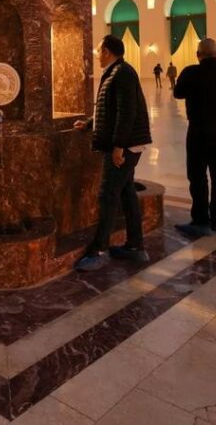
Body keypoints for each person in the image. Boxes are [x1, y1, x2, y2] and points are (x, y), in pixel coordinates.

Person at [73, 34, 152, 272]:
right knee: (126, 192)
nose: (97, 55)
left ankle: (99, 250)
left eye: (99, 51)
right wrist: (89, 123)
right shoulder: (115, 72)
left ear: (107, 51)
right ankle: (136, 247)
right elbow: (108, 109)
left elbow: (126, 112)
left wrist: (118, 147)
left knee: (108, 195)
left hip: (125, 146)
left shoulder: (123, 73)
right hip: (126, 144)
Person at [173, 38, 216, 237]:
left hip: (200, 132)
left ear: (198, 55)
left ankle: (200, 220)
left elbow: (177, 92)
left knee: (198, 176)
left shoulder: (191, 72)